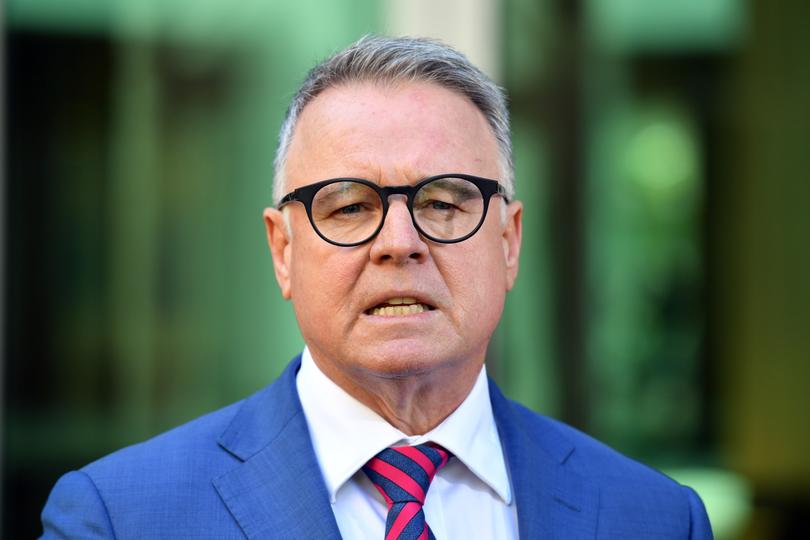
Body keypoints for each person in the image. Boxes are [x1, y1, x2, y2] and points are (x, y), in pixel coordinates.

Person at [40, 35, 713, 539]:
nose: (399, 241)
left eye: (445, 203)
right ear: (282, 250)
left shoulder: (653, 517)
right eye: (350, 206)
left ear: (509, 243)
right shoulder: (119, 517)